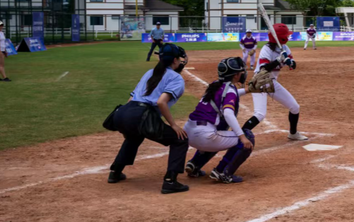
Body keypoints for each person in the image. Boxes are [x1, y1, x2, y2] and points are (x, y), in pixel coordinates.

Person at [109, 43, 190, 194]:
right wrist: (173, 125)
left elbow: (132, 98)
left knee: (134, 136)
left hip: (123, 112)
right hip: (142, 114)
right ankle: (170, 181)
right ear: (174, 60)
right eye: (178, 59)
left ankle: (115, 172)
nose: (180, 61)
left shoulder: (150, 72)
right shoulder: (176, 78)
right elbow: (161, 102)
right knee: (180, 139)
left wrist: (127, 124)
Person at [184, 57, 255, 184]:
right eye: (240, 72)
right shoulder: (230, 91)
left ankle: (194, 164)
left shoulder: (215, 85)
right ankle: (222, 172)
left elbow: (228, 94)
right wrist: (242, 137)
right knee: (248, 137)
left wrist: (248, 90)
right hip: (204, 136)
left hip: (188, 133)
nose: (242, 74)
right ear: (235, 75)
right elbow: (228, 113)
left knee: (220, 132)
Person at [240, 23, 308, 141]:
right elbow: (263, 69)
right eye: (286, 35)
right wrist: (278, 60)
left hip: (272, 81)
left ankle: (293, 133)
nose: (287, 37)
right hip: (260, 80)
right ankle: (238, 137)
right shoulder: (267, 49)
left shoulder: (284, 48)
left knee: (294, 107)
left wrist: (290, 62)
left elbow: (293, 65)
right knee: (260, 114)